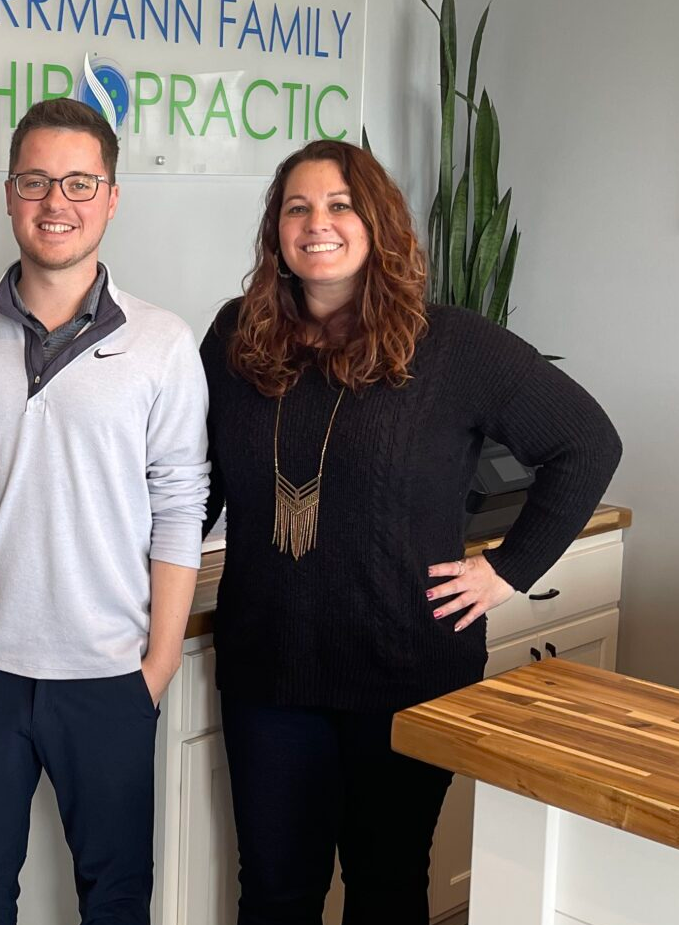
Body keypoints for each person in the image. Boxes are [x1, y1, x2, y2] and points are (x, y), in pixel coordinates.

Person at [200, 139, 623, 924]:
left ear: (377, 222)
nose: (316, 223)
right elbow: (199, 480)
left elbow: (587, 442)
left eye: (339, 205)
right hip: (269, 672)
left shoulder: (452, 344)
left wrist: (507, 569)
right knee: (274, 890)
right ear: (276, 231)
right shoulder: (235, 338)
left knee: (386, 886)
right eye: (297, 207)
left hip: (404, 673)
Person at [0, 97, 210, 924]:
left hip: (110, 673)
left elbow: (182, 504)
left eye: (80, 182)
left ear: (113, 197)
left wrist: (159, 664)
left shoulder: (162, 343)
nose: (56, 202)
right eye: (36, 180)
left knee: (115, 901)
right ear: (8, 193)